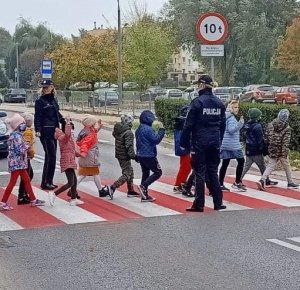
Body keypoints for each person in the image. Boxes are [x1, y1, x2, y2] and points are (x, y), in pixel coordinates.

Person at [180, 74, 226, 212]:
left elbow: (188, 125)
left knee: (199, 172)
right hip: (215, 142)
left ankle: (199, 204)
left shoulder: (197, 102)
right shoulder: (219, 103)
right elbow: (223, 126)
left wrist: (183, 142)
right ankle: (218, 202)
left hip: (200, 142)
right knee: (213, 171)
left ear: (201, 85)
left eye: (197, 85)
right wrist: (219, 140)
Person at [0, 114, 45, 210]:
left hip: (19, 163)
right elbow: (19, 150)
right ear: (18, 126)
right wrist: (28, 146)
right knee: (12, 182)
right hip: (17, 163)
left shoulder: (17, 135)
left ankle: (33, 199)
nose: (24, 124)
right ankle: (3, 202)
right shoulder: (17, 136)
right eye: (22, 123)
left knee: (27, 180)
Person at [257, 109, 299, 190]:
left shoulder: (270, 125)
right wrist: (284, 154)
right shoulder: (287, 128)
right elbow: (285, 143)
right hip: (281, 151)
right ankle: (290, 182)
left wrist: (267, 148)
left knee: (270, 166)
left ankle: (262, 180)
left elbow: (266, 138)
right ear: (286, 118)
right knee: (287, 166)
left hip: (272, 149)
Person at [34, 79, 63, 190]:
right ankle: (45, 182)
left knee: (52, 156)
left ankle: (48, 181)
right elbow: (38, 116)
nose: (45, 89)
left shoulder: (53, 100)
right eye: (44, 88)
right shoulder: (40, 101)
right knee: (50, 156)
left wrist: (63, 121)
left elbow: (57, 113)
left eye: (47, 87)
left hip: (54, 131)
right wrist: (38, 129)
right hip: (45, 131)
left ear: (52, 87)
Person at [48, 115, 84, 206]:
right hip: (66, 161)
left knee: (74, 181)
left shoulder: (68, 138)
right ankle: (54, 193)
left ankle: (73, 199)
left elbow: (71, 149)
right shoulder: (62, 137)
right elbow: (67, 135)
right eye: (71, 129)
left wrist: (79, 154)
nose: (72, 131)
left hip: (70, 160)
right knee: (70, 182)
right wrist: (68, 121)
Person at [240, 108, 278, 187]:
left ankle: (238, 180)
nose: (260, 117)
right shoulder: (258, 126)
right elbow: (260, 140)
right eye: (259, 116)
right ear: (257, 117)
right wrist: (264, 151)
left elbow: (244, 137)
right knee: (262, 165)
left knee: (246, 166)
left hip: (248, 149)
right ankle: (266, 180)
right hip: (256, 150)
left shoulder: (247, 125)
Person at [107, 114, 140, 198]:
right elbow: (129, 146)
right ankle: (113, 187)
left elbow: (115, 136)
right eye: (131, 122)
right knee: (127, 173)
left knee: (130, 171)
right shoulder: (128, 133)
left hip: (119, 154)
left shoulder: (118, 130)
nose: (132, 123)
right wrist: (134, 156)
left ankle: (130, 190)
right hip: (125, 155)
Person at [76, 114, 109, 198]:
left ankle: (72, 190)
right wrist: (83, 153)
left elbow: (94, 131)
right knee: (95, 172)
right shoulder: (89, 134)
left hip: (87, 155)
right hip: (90, 155)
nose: (95, 125)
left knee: (83, 174)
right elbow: (85, 144)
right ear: (90, 124)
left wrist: (99, 126)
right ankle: (100, 191)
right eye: (94, 123)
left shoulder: (85, 131)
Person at [135, 110, 165, 202]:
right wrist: (161, 131)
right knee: (158, 172)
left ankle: (144, 194)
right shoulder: (148, 129)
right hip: (149, 155)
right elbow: (155, 140)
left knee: (145, 173)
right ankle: (143, 186)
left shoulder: (139, 129)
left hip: (141, 154)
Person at [218, 100, 246, 192]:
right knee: (241, 161)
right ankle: (237, 183)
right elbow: (231, 130)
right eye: (235, 107)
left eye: (237, 107)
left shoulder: (225, 116)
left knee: (225, 164)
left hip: (225, 144)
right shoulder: (231, 118)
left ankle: (220, 183)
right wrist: (240, 123)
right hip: (233, 145)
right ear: (230, 108)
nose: (237, 109)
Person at [173, 105, 194, 197]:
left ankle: (182, 182)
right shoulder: (183, 122)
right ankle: (178, 184)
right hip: (184, 147)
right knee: (186, 166)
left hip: (183, 147)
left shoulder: (180, 121)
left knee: (186, 166)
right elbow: (185, 136)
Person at [17, 113, 35, 205]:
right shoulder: (28, 132)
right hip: (25, 157)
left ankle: (24, 193)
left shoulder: (22, 130)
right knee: (27, 176)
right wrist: (31, 153)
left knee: (28, 175)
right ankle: (22, 195)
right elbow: (27, 145)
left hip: (23, 157)